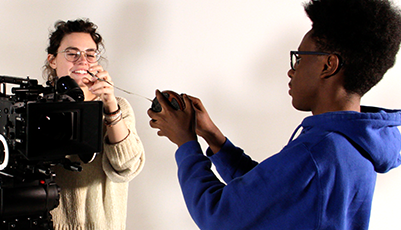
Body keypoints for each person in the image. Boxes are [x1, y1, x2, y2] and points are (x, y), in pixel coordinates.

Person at [148, 0, 401, 229]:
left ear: (328, 65)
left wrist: (186, 143)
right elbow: (267, 195)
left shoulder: (317, 152)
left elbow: (219, 217)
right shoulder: (352, 145)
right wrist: (214, 137)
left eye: (300, 59)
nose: (292, 71)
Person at [0, 19, 145, 230]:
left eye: (90, 54)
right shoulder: (34, 108)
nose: (83, 61)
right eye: (72, 53)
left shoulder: (117, 108)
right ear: (52, 60)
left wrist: (110, 105)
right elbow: (16, 180)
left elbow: (125, 169)